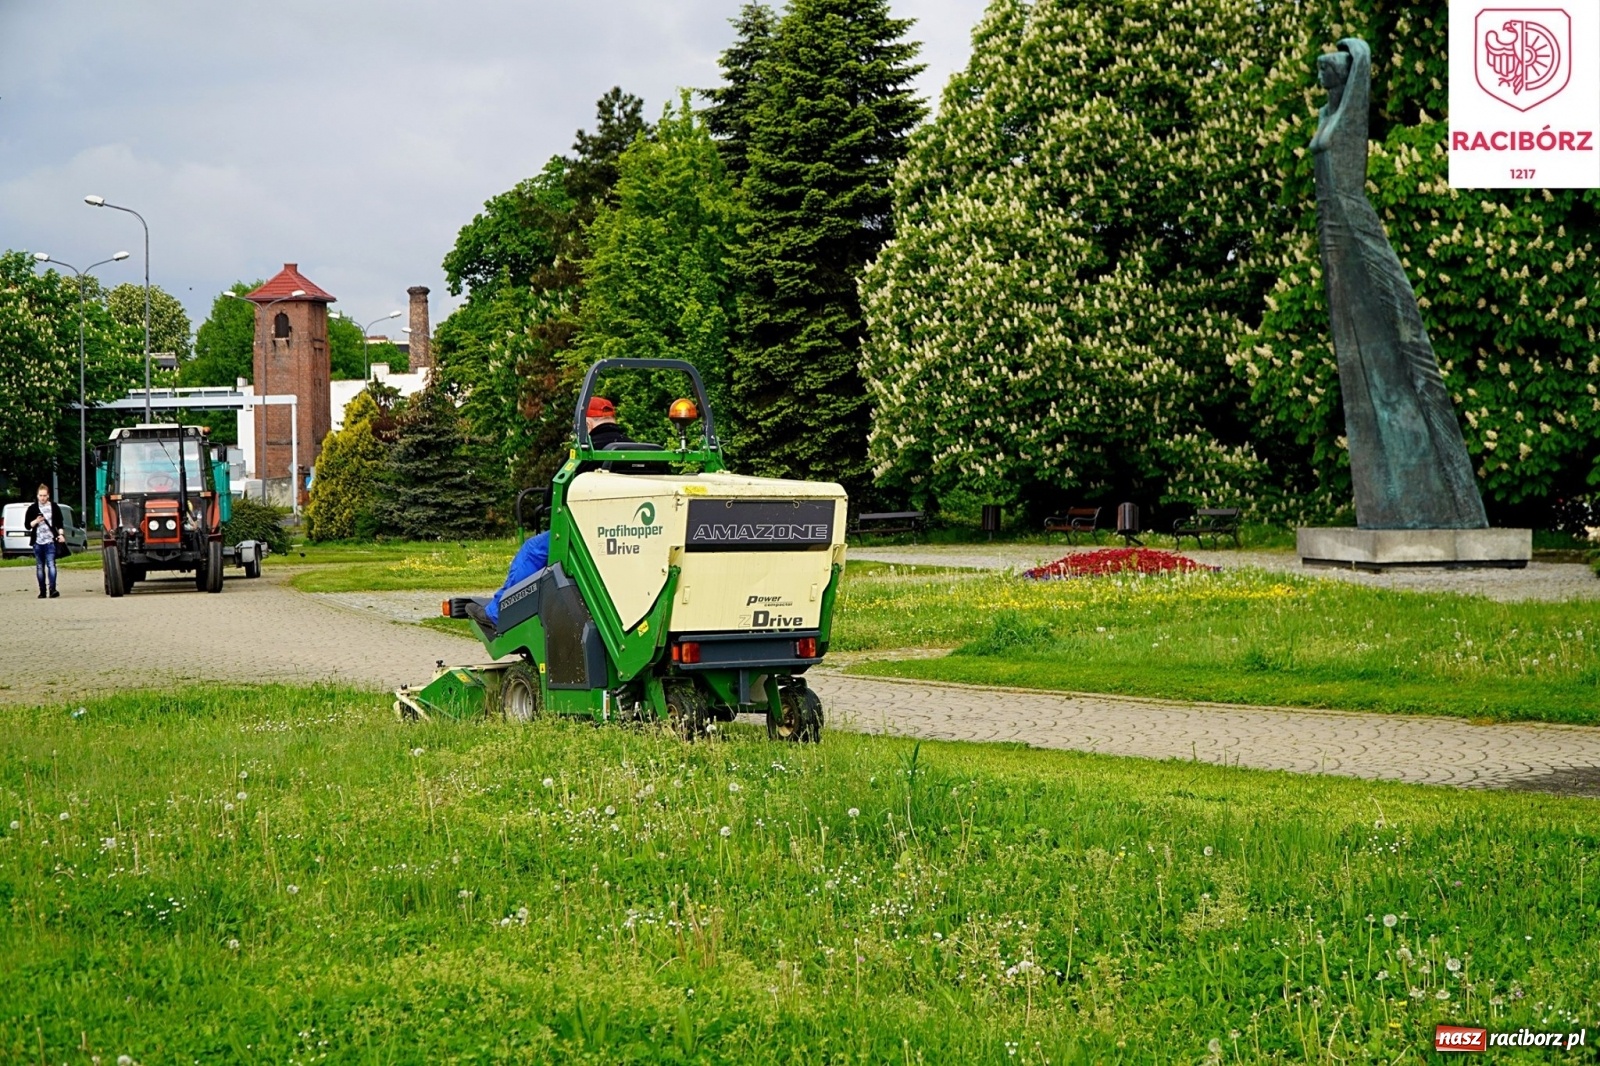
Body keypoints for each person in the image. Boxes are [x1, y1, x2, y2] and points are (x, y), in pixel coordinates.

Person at [24, 484, 65, 599]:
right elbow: (27, 525)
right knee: (39, 566)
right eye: (40, 495)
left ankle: (52, 589)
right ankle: (42, 591)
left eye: (44, 496)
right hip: (37, 542)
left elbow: (59, 523)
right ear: (37, 496)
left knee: (51, 565)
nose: (42, 498)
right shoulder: (32, 508)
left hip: (50, 541)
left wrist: (61, 535)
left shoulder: (54, 507)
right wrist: (36, 521)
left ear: (48, 496)